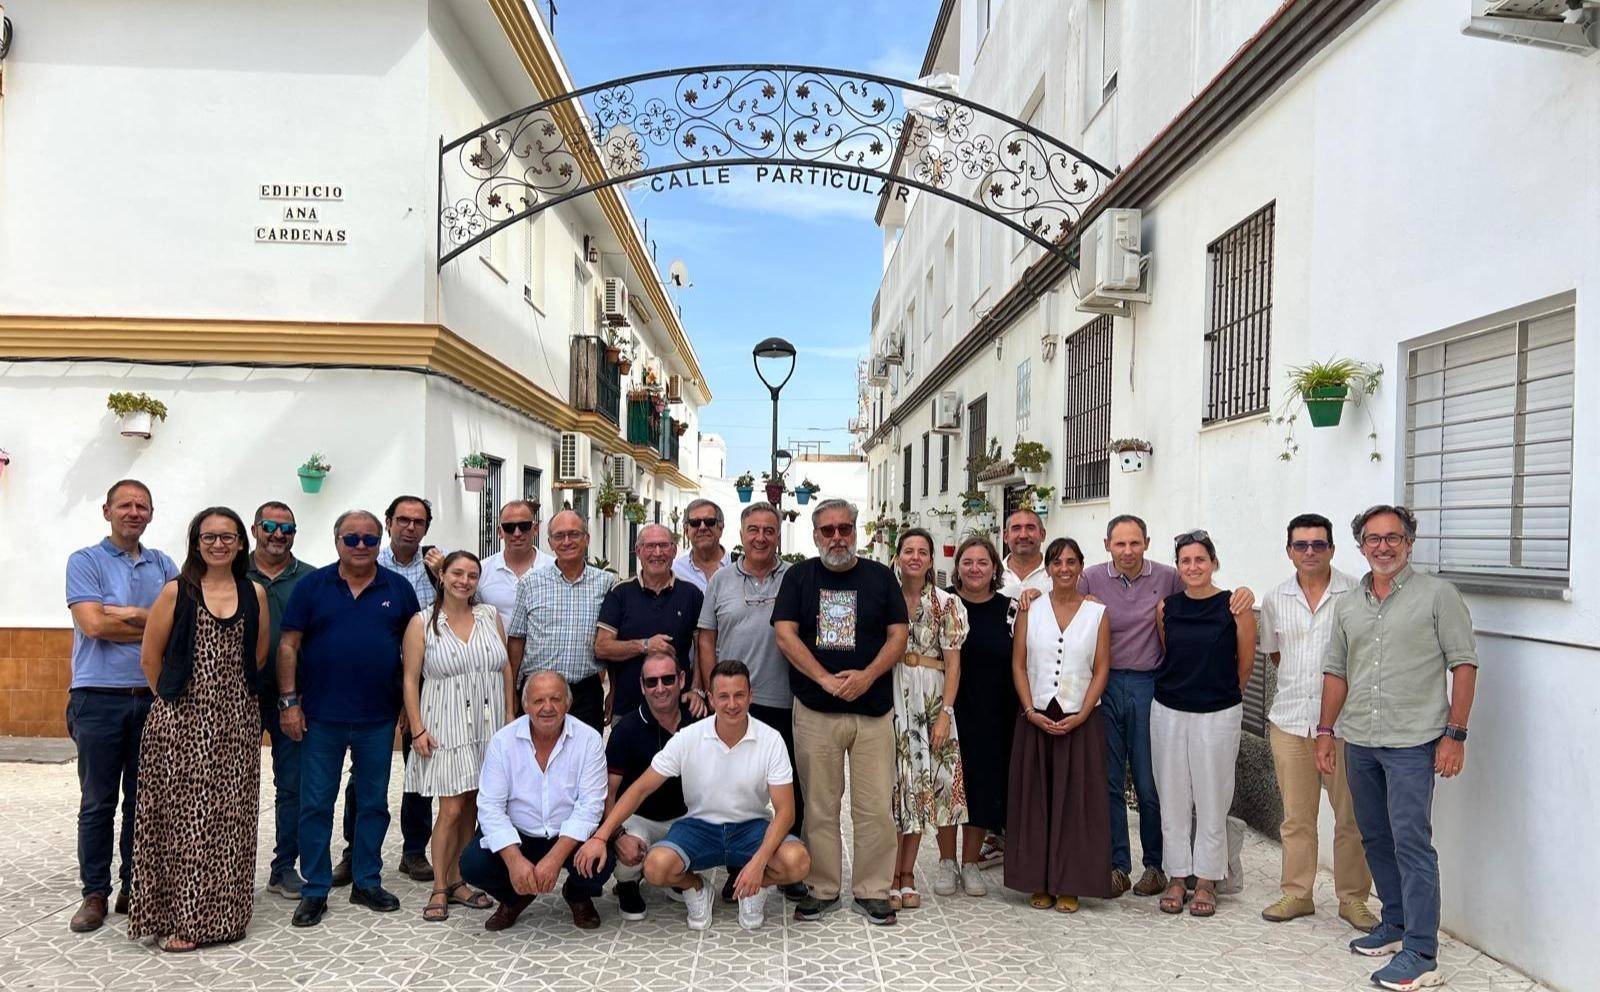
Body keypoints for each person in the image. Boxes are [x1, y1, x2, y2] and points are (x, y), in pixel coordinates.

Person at [1317, 505, 1478, 992]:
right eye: (1373, 538)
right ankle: (1396, 922)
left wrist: (1456, 734)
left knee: (1411, 843)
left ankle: (1422, 951)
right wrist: (1326, 732)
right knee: (1375, 837)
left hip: (1414, 742)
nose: (1383, 546)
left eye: (1393, 537)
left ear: (1409, 542)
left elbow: (1464, 665)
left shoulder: (1438, 595)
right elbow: (1337, 673)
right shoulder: (1349, 604)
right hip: (1360, 741)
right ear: (1361, 546)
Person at [1080, 514, 1252, 898]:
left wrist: (1224, 692)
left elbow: (1239, 658)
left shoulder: (1169, 579)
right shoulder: (1090, 579)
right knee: (1113, 780)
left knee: (1151, 784)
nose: (1128, 550)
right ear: (1107, 544)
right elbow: (1065, 602)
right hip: (1110, 686)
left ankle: (1158, 867)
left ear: (1147, 542)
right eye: (1120, 543)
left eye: (1135, 542)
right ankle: (1117, 865)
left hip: (1152, 687)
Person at [576, 660, 811, 932]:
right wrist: (602, 836)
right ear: (710, 698)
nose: (732, 704)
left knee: (798, 861)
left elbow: (786, 812)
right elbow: (641, 788)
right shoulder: (689, 737)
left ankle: (753, 889)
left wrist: (758, 866)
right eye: (723, 696)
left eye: (739, 695)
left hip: (751, 827)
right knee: (655, 867)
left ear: (751, 696)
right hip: (699, 826)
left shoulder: (771, 739)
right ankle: (697, 888)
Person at [128, 507, 269, 951]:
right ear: (196, 542)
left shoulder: (255, 593)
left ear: (241, 543)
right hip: (180, 725)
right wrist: (173, 705)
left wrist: (227, 704)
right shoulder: (177, 591)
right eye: (209, 537)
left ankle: (226, 916)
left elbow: (258, 657)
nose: (218, 544)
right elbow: (151, 659)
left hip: (237, 725)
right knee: (181, 821)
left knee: (232, 821)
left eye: (227, 537)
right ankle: (181, 919)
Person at [278, 509, 421, 928]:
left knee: (374, 803)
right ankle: (316, 888)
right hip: (320, 717)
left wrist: (410, 711)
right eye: (351, 538)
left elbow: (412, 652)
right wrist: (289, 703)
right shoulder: (312, 586)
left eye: (370, 539)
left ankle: (366, 880)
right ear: (336, 540)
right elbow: (288, 646)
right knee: (316, 804)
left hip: (378, 718)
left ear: (381, 542)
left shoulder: (398, 588)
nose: (361, 546)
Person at [774, 498, 909, 926]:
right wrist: (826, 681)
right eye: (828, 530)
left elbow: (898, 635)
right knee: (819, 804)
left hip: (872, 712)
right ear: (815, 535)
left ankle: (872, 889)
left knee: (874, 807)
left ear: (856, 531)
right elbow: (785, 636)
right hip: (816, 711)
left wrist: (867, 677)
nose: (837, 537)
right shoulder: (798, 577)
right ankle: (821, 886)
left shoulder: (880, 577)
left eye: (844, 529)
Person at [64, 479, 179, 933]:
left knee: (144, 802)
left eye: (142, 506)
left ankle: (136, 885)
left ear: (151, 514)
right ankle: (95, 894)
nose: (134, 512)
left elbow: (179, 624)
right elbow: (92, 624)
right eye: (125, 505)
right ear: (106, 511)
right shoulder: (85, 561)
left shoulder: (164, 564)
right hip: (97, 698)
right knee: (97, 802)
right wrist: (148, 622)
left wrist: (124, 614)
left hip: (152, 697)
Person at [1258, 513, 1376, 931]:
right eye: (1301, 545)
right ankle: (1297, 892)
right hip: (1290, 723)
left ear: (1332, 549)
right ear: (1289, 550)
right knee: (1296, 817)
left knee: (1352, 817)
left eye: (1318, 544)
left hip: (1346, 727)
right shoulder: (1274, 600)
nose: (1310, 552)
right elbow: (1276, 656)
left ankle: (1353, 899)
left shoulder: (1356, 596)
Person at [697, 501, 808, 902]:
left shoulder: (795, 578)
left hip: (784, 700)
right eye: (753, 530)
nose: (761, 537)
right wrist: (714, 694)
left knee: (790, 787)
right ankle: (738, 867)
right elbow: (706, 637)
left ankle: (790, 868)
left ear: (779, 535)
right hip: (732, 704)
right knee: (738, 790)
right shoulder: (721, 581)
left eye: (769, 530)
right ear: (741, 535)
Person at [402, 551, 514, 923]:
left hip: (489, 725)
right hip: (446, 724)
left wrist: (511, 716)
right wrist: (417, 727)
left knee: (471, 804)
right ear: (442, 576)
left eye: (472, 575)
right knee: (450, 808)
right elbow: (410, 680)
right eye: (457, 573)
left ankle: (459, 879)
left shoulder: (489, 616)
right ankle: (438, 885)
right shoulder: (422, 623)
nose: (464, 581)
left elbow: (506, 669)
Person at [1151, 530, 1256, 918]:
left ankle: (1209, 879)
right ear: (1178, 567)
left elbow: (1245, 663)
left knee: (1213, 797)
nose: (1193, 567)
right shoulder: (1166, 608)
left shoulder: (1235, 606)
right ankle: (1177, 876)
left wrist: (1222, 693)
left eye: (1200, 560)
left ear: (1214, 563)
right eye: (1185, 561)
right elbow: (1168, 650)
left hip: (1219, 712)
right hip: (1168, 710)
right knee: (1173, 797)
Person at [460, 671, 616, 932]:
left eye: (555, 699)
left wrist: (554, 859)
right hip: (519, 833)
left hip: (567, 836)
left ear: (568, 703)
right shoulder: (502, 742)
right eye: (538, 700)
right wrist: (514, 861)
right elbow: (489, 808)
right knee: (472, 864)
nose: (547, 708)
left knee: (602, 861)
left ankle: (577, 895)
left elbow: (590, 807)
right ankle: (515, 898)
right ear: (525, 705)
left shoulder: (589, 740)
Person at [1006, 536, 1113, 913]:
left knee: (1077, 803)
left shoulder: (1097, 613)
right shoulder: (1030, 610)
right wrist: (1029, 709)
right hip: (1036, 714)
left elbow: (1102, 668)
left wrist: (1083, 713)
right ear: (1048, 568)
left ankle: (1071, 883)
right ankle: (1038, 881)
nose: (1064, 569)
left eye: (1071, 562)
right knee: (1035, 800)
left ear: (1081, 566)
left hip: (1080, 716)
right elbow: (1018, 663)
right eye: (1057, 562)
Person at [342, 494, 440, 886]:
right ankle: (355, 850)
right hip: (374, 684)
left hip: (423, 684)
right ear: (389, 522)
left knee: (419, 768)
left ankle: (414, 851)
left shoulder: (436, 568)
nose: (410, 527)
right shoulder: (367, 561)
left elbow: (460, 609)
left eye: (418, 521)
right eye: (403, 520)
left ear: (427, 527)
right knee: (364, 771)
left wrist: (445, 570)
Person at [889, 528, 969, 909]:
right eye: (909, 550)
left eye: (922, 551)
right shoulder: (884, 595)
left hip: (933, 698)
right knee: (896, 786)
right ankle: (889, 873)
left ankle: (907, 874)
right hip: (892, 695)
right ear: (898, 556)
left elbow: (953, 664)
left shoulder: (946, 603)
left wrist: (945, 716)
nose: (915, 557)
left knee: (923, 787)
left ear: (931, 559)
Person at [246, 501, 317, 901]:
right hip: (238, 696)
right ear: (255, 529)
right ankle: (227, 865)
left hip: (293, 699)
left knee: (293, 786)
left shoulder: (310, 579)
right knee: (232, 784)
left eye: (286, 528)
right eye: (270, 526)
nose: (278, 534)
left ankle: (284, 867)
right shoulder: (232, 574)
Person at [602, 649, 692, 921]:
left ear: (681, 679)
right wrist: (617, 836)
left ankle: (677, 875)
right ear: (642, 686)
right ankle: (627, 881)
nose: (660, 688)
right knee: (632, 848)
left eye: (667, 679)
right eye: (651, 682)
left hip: (686, 816)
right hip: (639, 818)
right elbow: (609, 791)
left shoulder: (698, 720)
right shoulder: (626, 730)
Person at [948, 536, 1015, 897]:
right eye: (968, 562)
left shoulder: (1011, 609)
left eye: (982, 562)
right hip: (948, 707)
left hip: (994, 710)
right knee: (948, 785)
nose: (975, 568)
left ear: (994, 569)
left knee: (981, 787)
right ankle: (946, 862)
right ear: (958, 567)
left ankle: (970, 862)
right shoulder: (943, 603)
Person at [506, 510, 616, 731]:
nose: (567, 541)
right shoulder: (530, 583)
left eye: (574, 534)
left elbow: (610, 641)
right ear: (550, 542)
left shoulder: (606, 583)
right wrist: (512, 695)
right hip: (538, 691)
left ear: (587, 538)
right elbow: (517, 640)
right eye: (559, 536)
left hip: (585, 693)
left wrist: (613, 690)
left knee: (584, 758)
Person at [595, 523, 706, 719]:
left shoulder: (691, 595)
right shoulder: (620, 593)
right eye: (650, 546)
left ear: (674, 551)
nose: (657, 552)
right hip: (628, 707)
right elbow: (602, 647)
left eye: (664, 546)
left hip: (679, 709)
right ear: (638, 551)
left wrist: (697, 690)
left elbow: (701, 648)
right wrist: (645, 645)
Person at [476, 500, 554, 627]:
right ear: (500, 532)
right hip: (496, 646)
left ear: (535, 529)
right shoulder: (482, 570)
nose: (517, 533)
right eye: (509, 528)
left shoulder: (554, 568)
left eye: (524, 526)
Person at [672, 497, 731, 591]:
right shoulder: (675, 571)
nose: (702, 527)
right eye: (695, 523)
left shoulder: (740, 566)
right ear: (686, 531)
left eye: (709, 522)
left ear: (721, 528)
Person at [998, 508, 1050, 598]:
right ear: (1006, 536)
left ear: (1042, 534)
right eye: (1016, 528)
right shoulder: (993, 575)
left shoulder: (1060, 574)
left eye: (1030, 528)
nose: (1023, 535)